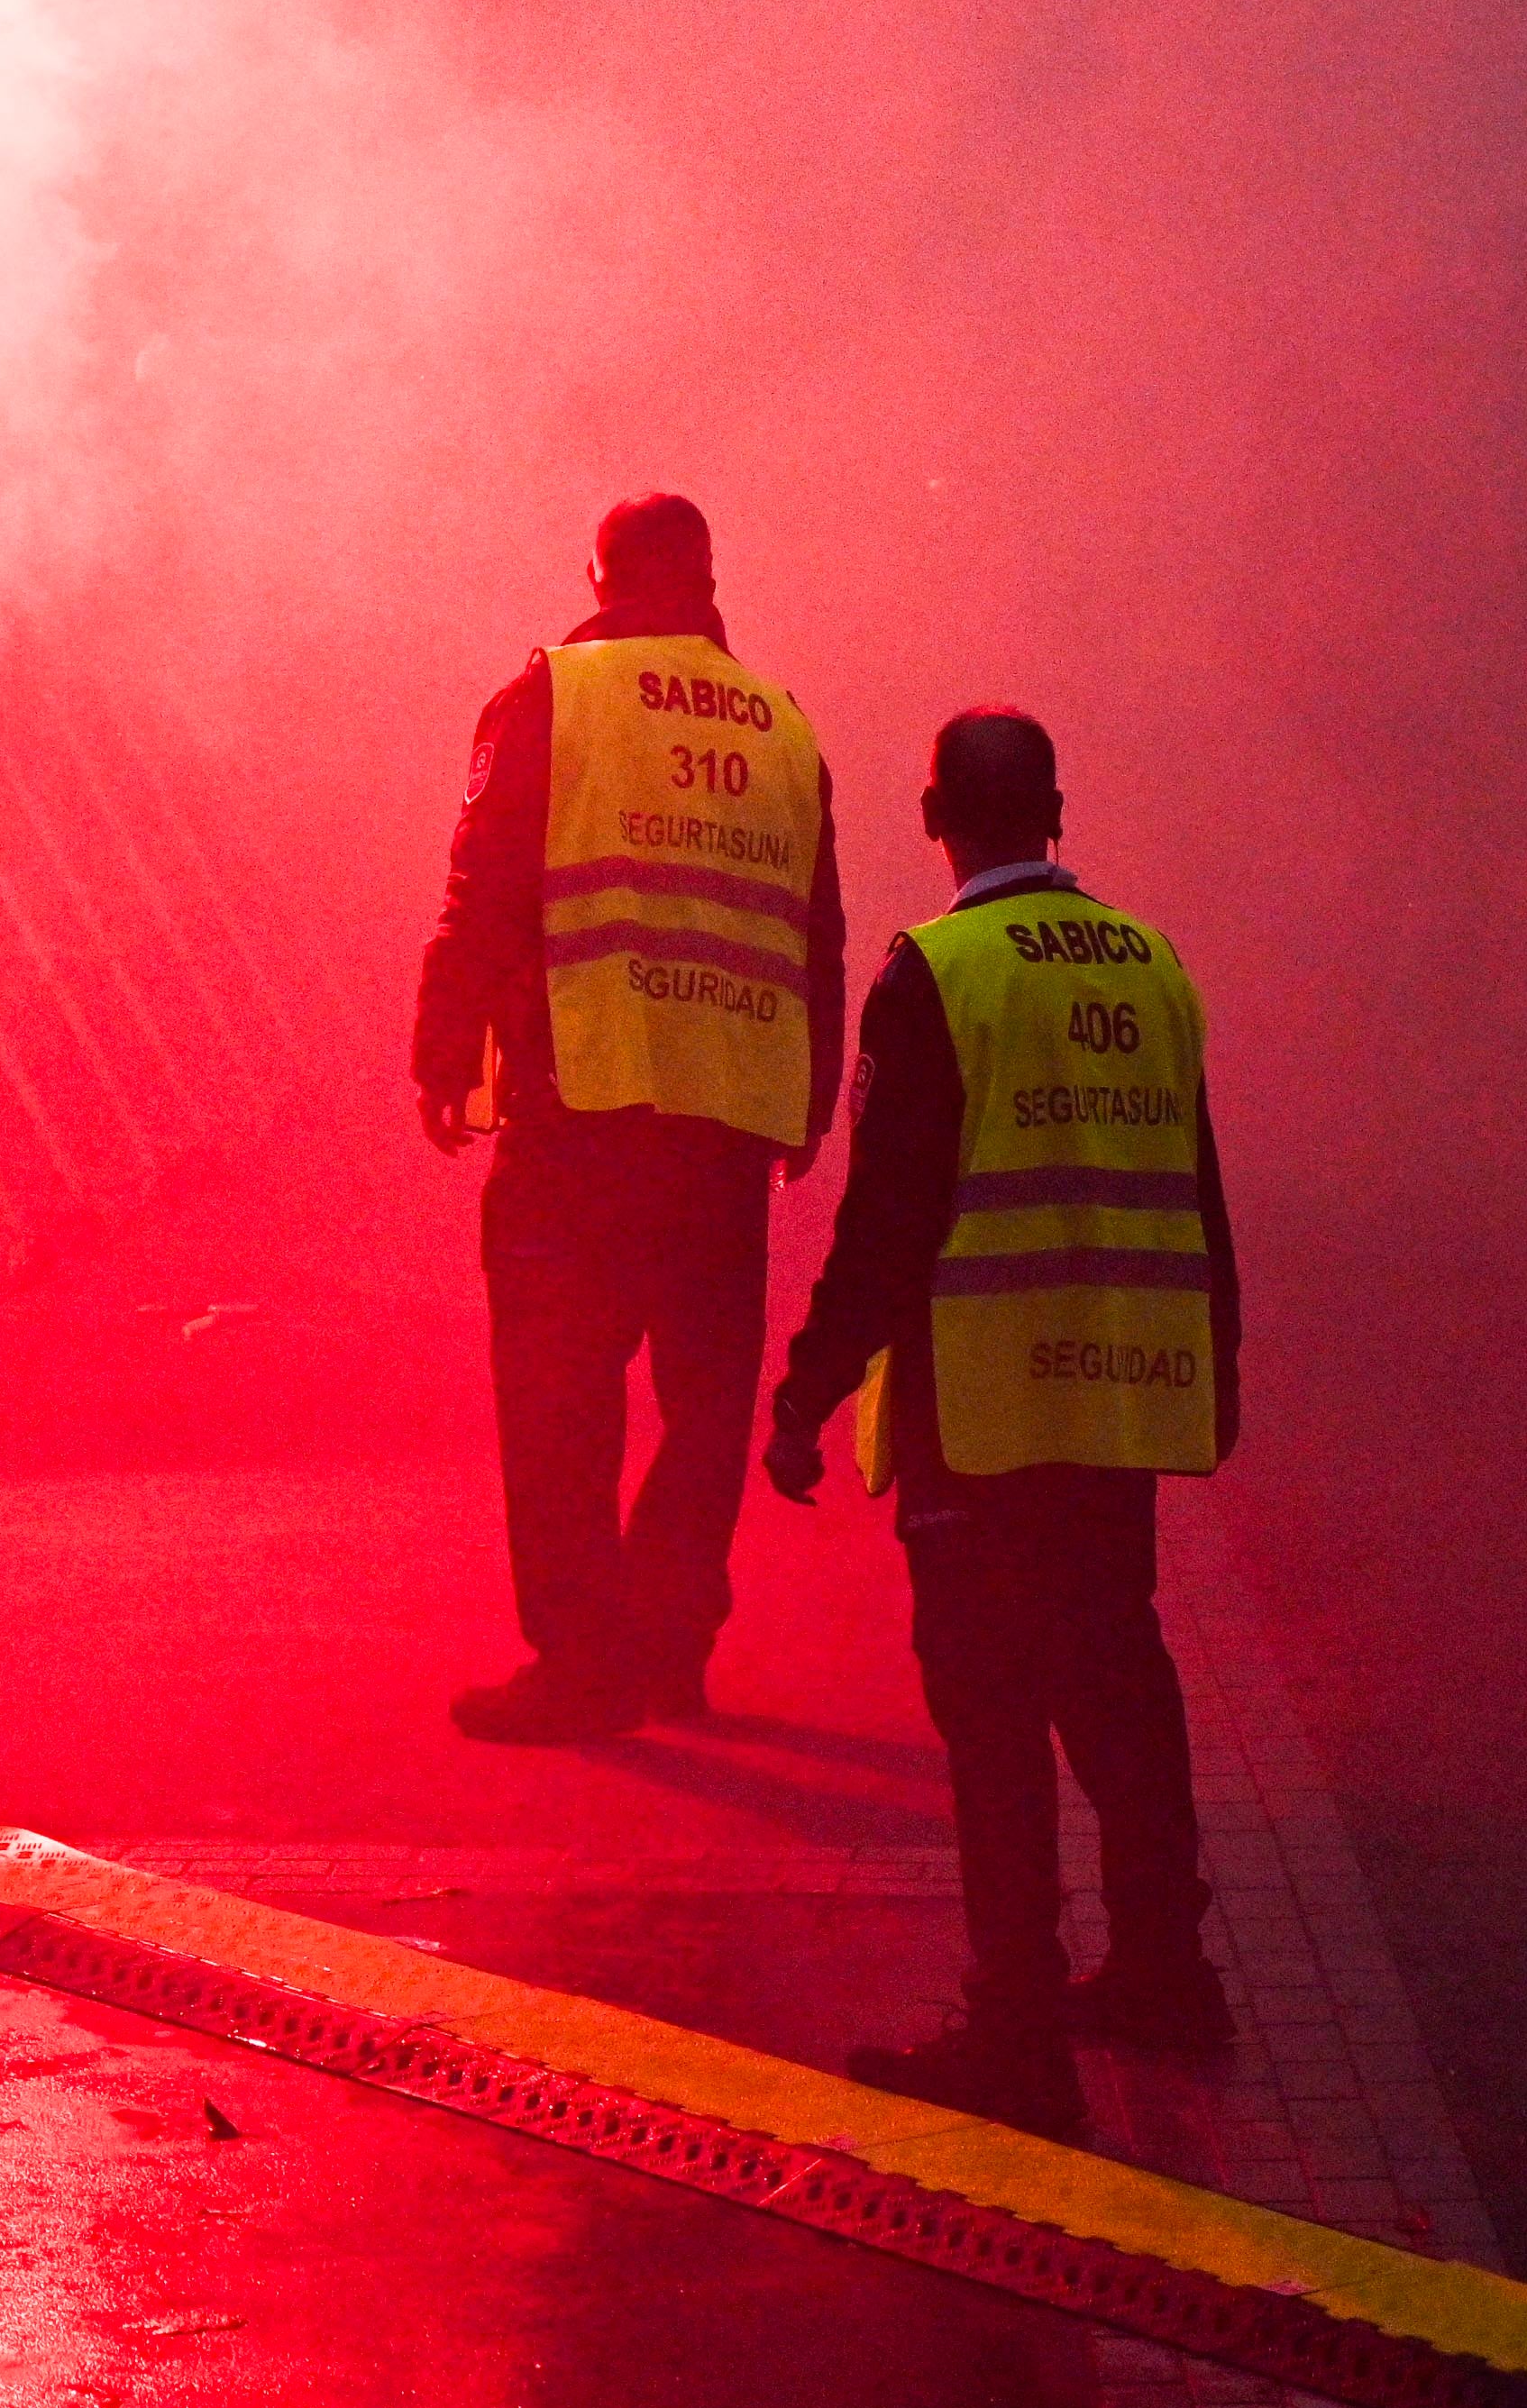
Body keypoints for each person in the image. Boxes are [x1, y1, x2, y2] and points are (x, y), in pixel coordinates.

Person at [764, 709, 1237, 2145]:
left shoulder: (938, 974)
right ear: (1057, 811)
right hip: (1120, 1401)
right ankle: (1165, 1971)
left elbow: (889, 1220)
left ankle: (1015, 2027)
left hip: (987, 1413)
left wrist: (805, 1391)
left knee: (989, 1716)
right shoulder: (1152, 962)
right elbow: (1199, 1190)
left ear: (935, 821)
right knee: (1119, 1687)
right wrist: (1215, 1360)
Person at [411, 489, 841, 1742]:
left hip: (583, 1104)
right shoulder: (779, 725)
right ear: (707, 578)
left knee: (559, 1399)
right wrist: (806, 1099)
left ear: (599, 575)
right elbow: (817, 925)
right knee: (707, 1403)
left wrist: (446, 1043)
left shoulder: (552, 694)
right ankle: (670, 1645)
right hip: (725, 1121)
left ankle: (583, 1665)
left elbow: (484, 883)